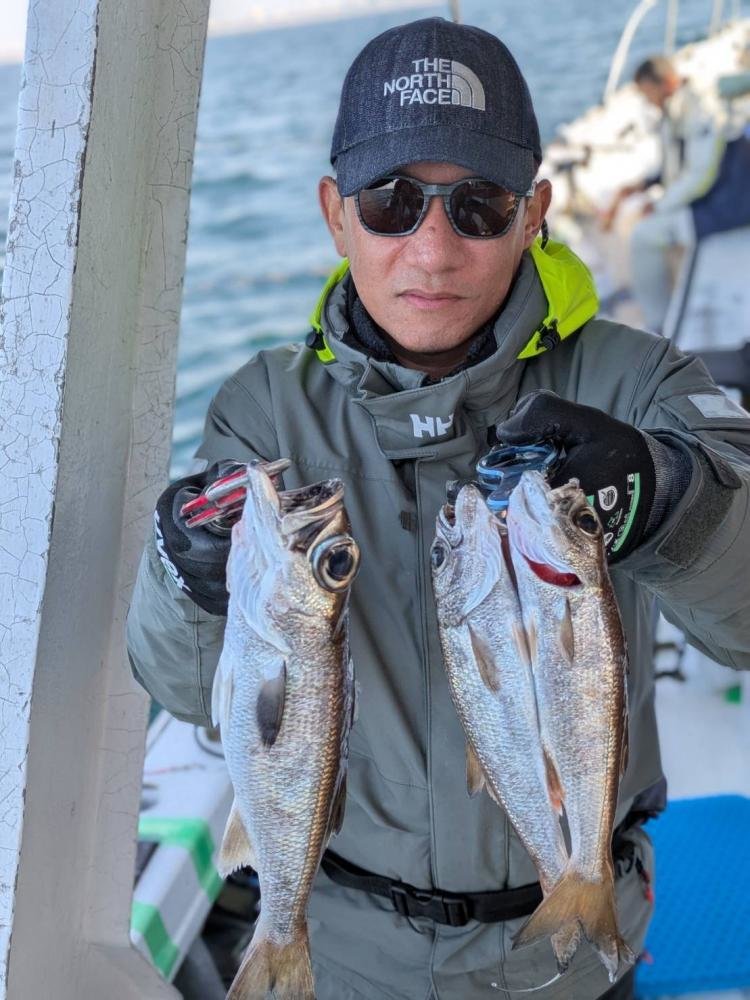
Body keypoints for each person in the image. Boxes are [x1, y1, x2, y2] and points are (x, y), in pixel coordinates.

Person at [126, 17, 750, 1000]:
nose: (433, 247)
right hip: (346, 958)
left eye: (479, 205)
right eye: (392, 202)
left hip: (571, 961)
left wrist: (670, 496)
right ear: (335, 214)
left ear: (534, 213)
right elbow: (185, 685)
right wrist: (187, 580)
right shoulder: (265, 410)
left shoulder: (639, 382)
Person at [601, 55, 732, 332]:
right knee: (637, 216)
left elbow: (700, 177)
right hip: (698, 199)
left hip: (718, 206)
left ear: (668, 82)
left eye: (648, 93)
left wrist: (658, 207)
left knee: (643, 236)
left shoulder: (701, 110)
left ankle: (658, 324)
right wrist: (642, 185)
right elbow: (677, 164)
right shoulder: (676, 108)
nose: (648, 101)